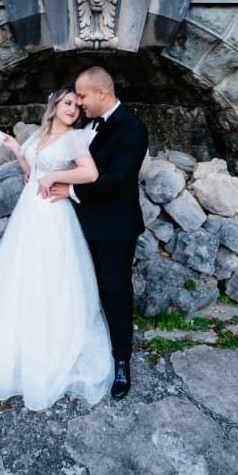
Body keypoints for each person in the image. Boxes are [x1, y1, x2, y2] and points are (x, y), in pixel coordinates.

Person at [0, 87, 113, 411]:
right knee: (20, 273)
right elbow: (32, 172)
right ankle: (16, 335)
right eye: (68, 103)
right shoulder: (39, 135)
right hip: (28, 212)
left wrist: (55, 176)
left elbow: (90, 172)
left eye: (77, 106)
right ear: (54, 104)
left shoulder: (73, 139)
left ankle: (49, 339)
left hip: (52, 214)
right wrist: (18, 150)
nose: (73, 109)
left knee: (48, 274)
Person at [47, 66, 149, 399]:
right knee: (77, 290)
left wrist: (70, 191)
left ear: (101, 93)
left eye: (82, 96)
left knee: (115, 293)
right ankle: (79, 351)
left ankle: (121, 361)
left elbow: (118, 179)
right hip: (75, 224)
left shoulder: (133, 128)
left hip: (113, 228)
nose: (78, 102)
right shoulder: (85, 125)